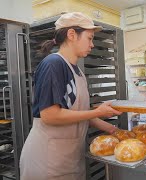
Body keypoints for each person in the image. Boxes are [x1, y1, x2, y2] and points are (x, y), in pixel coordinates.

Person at [20, 12, 122, 180]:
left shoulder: (78, 71)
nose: (92, 45)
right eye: (89, 38)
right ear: (72, 34)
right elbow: (49, 115)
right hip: (47, 161)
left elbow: (80, 113)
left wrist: (114, 130)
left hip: (69, 159)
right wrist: (98, 112)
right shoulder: (53, 64)